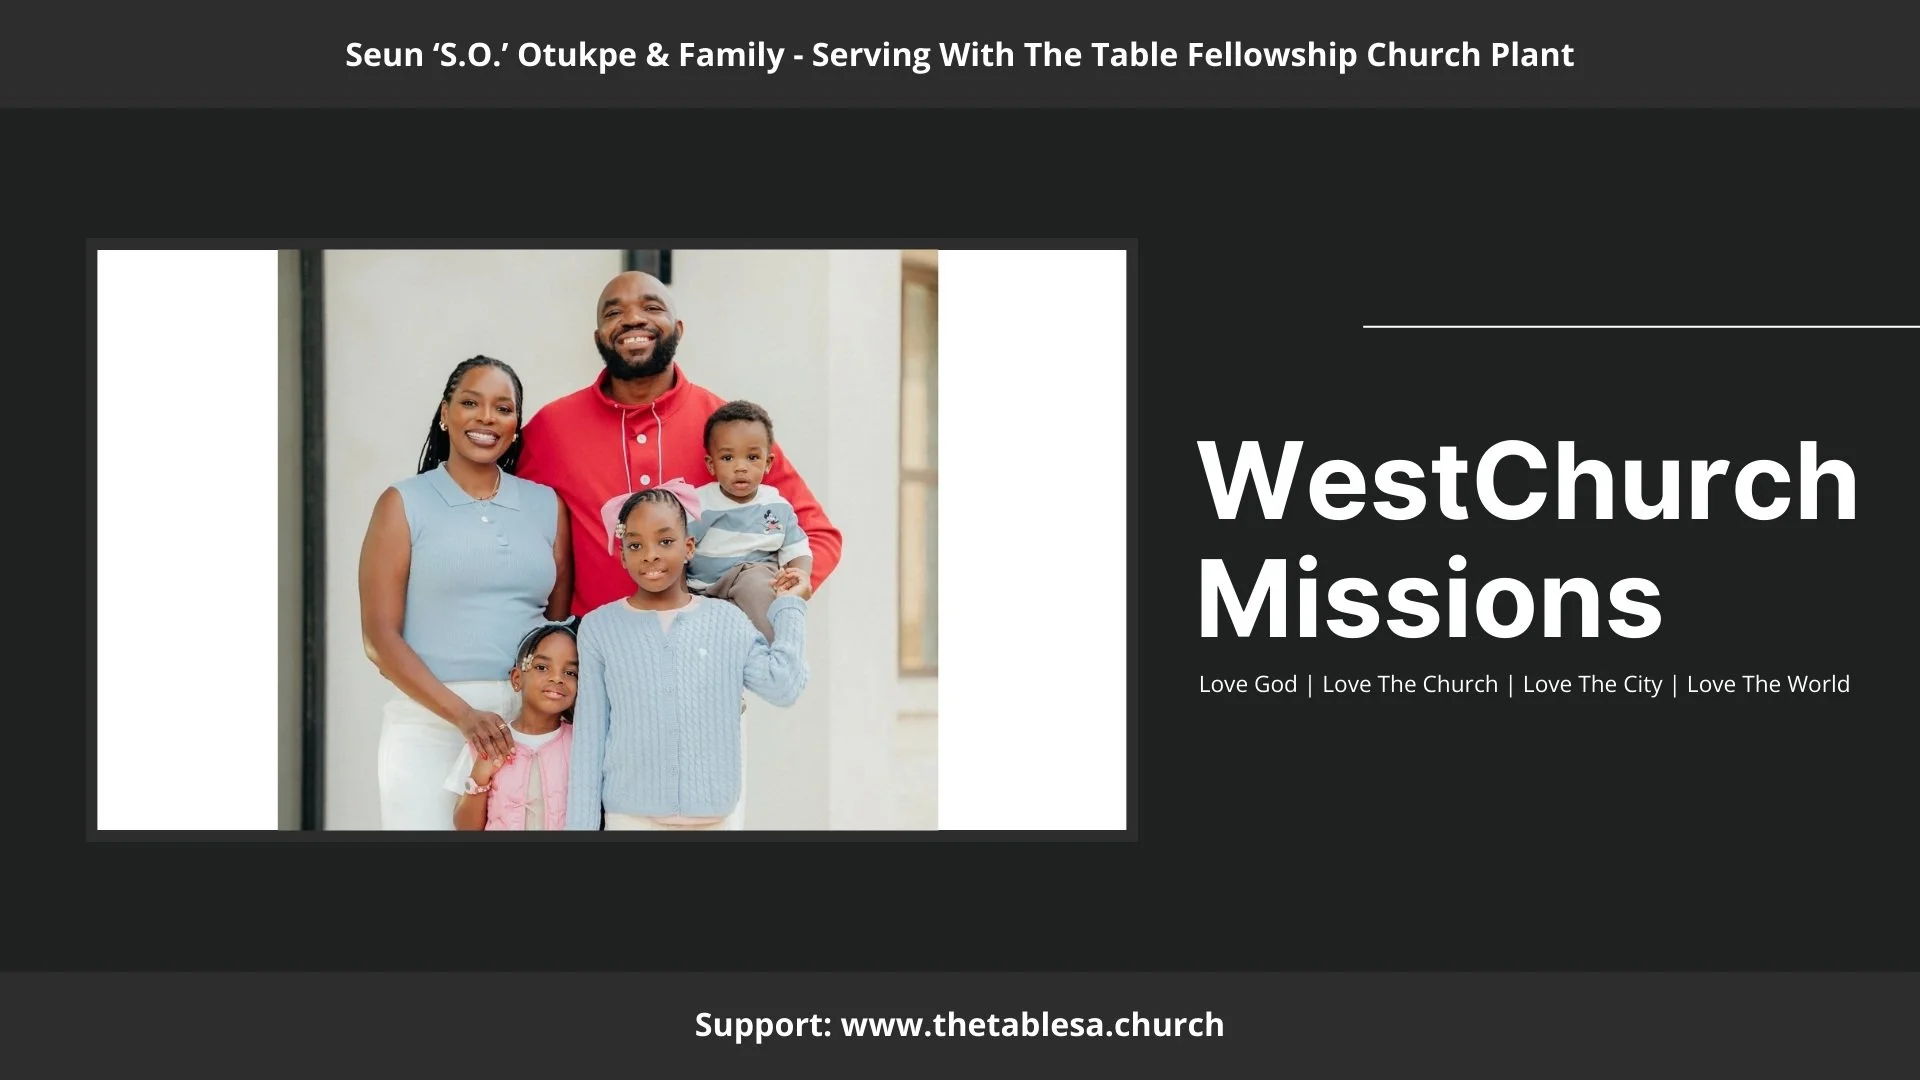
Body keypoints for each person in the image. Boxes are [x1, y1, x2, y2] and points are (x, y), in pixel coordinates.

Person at [513, 270, 842, 618]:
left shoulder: (723, 427)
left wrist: (778, 592)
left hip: (710, 658)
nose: (633, 319)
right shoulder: (553, 428)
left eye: (652, 307)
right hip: (595, 655)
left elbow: (815, 532)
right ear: (599, 337)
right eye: (614, 313)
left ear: (679, 329)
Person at [358, 355, 573, 831]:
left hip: (525, 726)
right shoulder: (403, 502)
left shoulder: (546, 505)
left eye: (503, 408)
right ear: (444, 413)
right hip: (429, 724)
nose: (485, 418)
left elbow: (556, 630)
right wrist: (463, 715)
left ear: (516, 425)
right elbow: (379, 637)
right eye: (470, 403)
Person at [566, 487, 809, 831]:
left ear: (689, 547)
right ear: (622, 555)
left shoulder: (727, 621)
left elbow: (783, 686)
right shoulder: (599, 628)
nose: (650, 555)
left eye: (665, 541)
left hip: (714, 818)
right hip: (630, 817)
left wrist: (790, 606)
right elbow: (589, 742)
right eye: (635, 545)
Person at [685, 400, 812, 642]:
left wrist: (801, 576)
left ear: (768, 463)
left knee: (759, 588)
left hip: (752, 577)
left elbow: (796, 546)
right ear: (711, 464)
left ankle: (775, 654)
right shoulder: (698, 503)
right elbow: (679, 548)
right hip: (704, 589)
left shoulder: (776, 505)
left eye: (752, 457)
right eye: (728, 458)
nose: (741, 467)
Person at [446, 620, 579, 832]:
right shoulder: (485, 742)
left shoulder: (582, 745)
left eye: (570, 672)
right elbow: (465, 826)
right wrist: (481, 773)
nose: (557, 678)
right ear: (517, 679)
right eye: (542, 667)